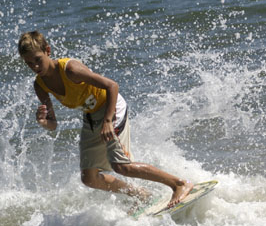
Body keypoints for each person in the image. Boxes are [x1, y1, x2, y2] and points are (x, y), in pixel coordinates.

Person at [18, 31, 193, 209]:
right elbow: (53, 124)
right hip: (91, 116)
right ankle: (140, 194)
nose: (35, 66)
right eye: (29, 63)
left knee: (122, 167)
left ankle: (178, 183)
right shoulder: (40, 85)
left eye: (38, 59)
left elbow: (112, 86)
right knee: (89, 178)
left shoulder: (70, 69)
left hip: (112, 108)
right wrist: (43, 122)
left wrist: (108, 121)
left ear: (47, 50)